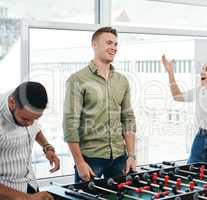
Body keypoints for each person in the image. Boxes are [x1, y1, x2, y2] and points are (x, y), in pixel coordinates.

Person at [63, 27, 136, 183]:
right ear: (94, 45)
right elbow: (70, 124)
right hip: (90, 159)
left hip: (119, 157)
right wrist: (79, 162)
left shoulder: (122, 80)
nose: (114, 48)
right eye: (109, 43)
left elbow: (128, 118)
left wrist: (131, 155)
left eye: (116, 44)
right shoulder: (77, 79)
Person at [0, 81, 60, 200]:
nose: (30, 124)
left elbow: (35, 128)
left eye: (35, 118)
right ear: (12, 103)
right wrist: (27, 198)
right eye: (25, 119)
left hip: (30, 184)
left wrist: (47, 147)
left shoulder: (24, 99)